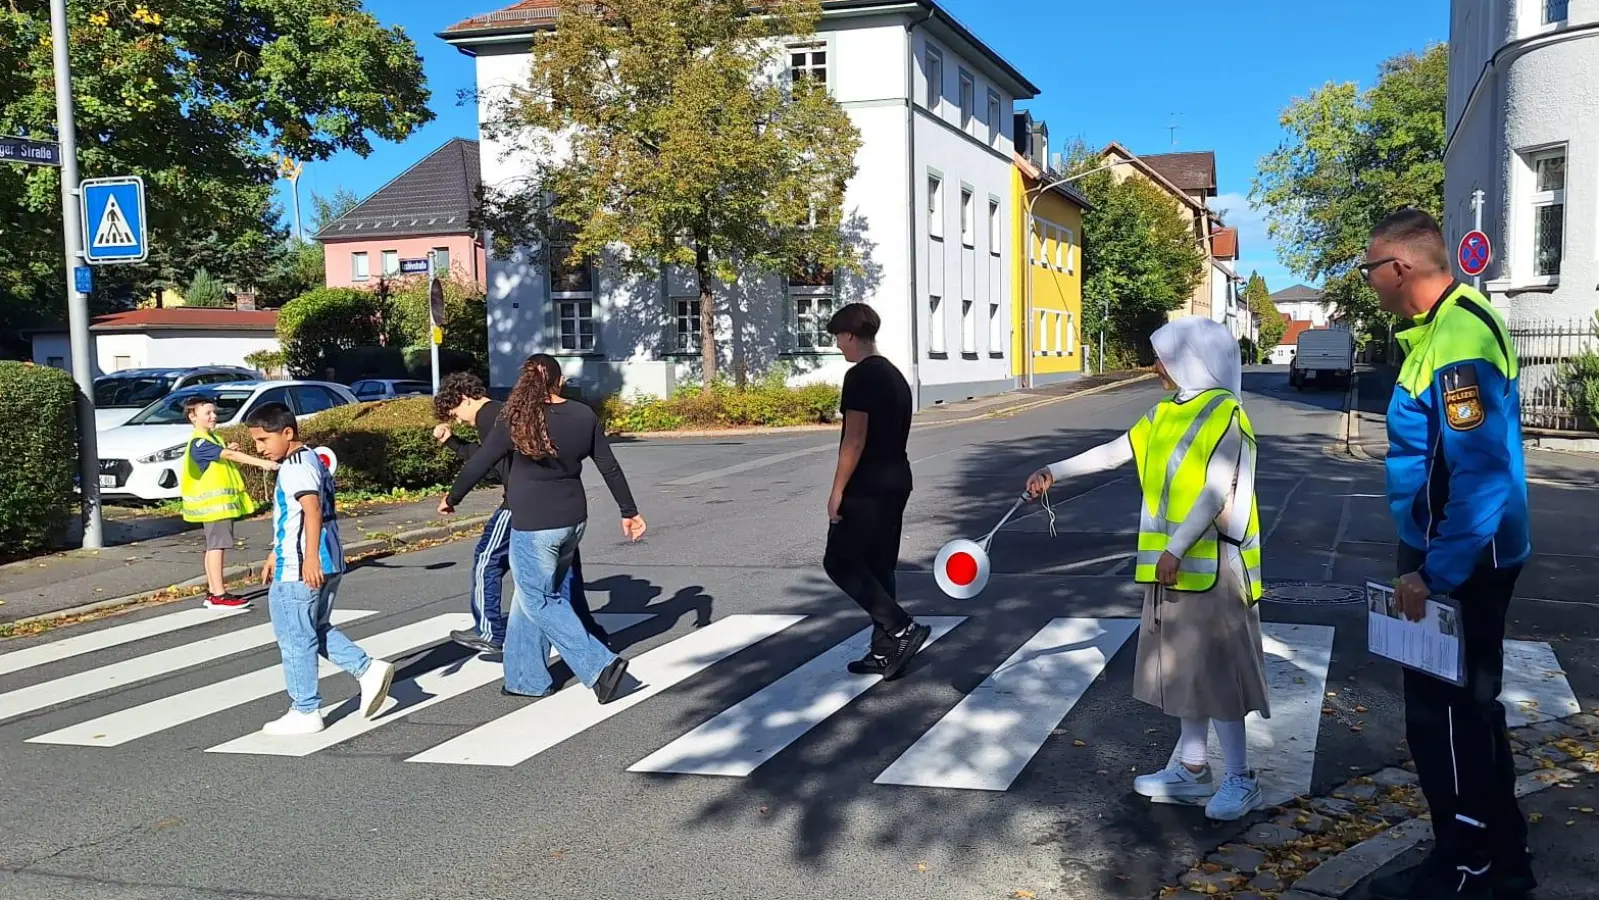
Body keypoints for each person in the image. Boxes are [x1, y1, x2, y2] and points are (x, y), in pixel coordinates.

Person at [1025, 316, 1269, 822]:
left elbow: (1214, 490)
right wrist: (1056, 471)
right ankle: (1193, 768)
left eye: (1163, 355)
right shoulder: (1163, 413)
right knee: (1184, 672)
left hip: (1213, 566)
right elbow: (1114, 453)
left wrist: (1176, 548)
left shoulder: (1226, 413)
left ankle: (1241, 779)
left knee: (1219, 676)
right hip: (1174, 567)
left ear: (1191, 358)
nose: (1156, 364)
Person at [1358, 209, 1533, 900]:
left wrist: (1433, 575)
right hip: (1457, 550)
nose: (1368, 282)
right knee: (1473, 711)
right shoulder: (1441, 328)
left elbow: (1480, 473)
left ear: (1399, 268)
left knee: (1445, 719)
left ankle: (1466, 868)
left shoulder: (1457, 337)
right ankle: (1502, 857)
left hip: (1460, 559)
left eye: (1370, 268)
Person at [440, 355, 643, 703]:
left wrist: (453, 496)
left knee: (539, 600)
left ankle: (600, 666)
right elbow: (609, 467)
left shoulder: (516, 418)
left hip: (534, 524)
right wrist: (629, 511)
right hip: (573, 520)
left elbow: (481, 461)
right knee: (527, 598)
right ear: (559, 381)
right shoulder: (583, 414)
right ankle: (525, 678)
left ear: (524, 383)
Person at [433, 372, 609, 653]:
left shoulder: (487, 418)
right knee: (564, 573)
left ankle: (490, 631)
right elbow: (492, 459)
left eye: (454, 413)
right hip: (556, 504)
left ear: (465, 399)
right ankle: (589, 631)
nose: (457, 420)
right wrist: (453, 442)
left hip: (518, 503)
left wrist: (452, 496)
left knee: (487, 560)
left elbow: (488, 467)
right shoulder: (505, 411)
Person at [246, 403, 394, 735]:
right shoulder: (308, 458)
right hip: (325, 560)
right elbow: (297, 518)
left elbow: (310, 510)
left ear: (287, 433)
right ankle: (367, 670)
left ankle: (306, 709)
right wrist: (277, 551)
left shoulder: (294, 467)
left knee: (295, 638)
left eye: (263, 439)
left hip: (300, 567)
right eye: (256, 441)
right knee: (315, 628)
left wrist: (307, 557)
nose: (260, 448)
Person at [821, 302, 929, 679]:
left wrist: (837, 491)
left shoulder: (861, 377)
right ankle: (885, 652)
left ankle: (902, 627)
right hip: (897, 478)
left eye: (838, 338)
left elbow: (854, 439)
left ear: (851, 335)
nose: (838, 346)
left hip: (868, 486)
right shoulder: (894, 375)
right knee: (879, 566)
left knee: (839, 561)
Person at [180, 394, 279, 611]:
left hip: (216, 506)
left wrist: (229, 449)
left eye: (214, 412)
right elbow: (228, 457)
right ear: (192, 416)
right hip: (215, 507)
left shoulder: (212, 439)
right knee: (217, 547)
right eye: (208, 413)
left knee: (214, 547)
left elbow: (223, 456)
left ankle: (215, 592)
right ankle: (218, 594)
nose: (213, 416)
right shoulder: (199, 442)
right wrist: (262, 463)